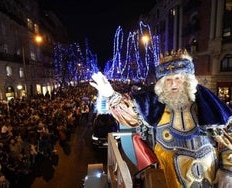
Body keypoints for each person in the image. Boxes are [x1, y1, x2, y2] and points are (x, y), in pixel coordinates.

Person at [90, 49, 232, 188]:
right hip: (170, 172)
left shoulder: (206, 101)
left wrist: (227, 170)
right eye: (168, 79)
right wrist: (111, 95)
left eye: (178, 78)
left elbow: (228, 136)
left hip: (211, 170)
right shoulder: (153, 103)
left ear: (187, 80)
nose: (173, 84)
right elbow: (130, 112)